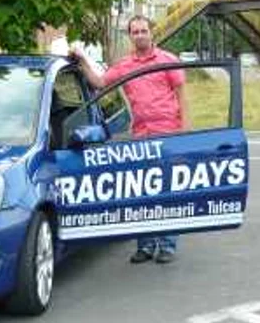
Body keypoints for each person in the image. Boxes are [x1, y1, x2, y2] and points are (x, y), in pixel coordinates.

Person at [70, 15, 191, 264]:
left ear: (151, 32)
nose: (139, 35)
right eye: (134, 32)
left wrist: (185, 133)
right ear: (130, 36)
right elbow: (100, 83)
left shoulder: (168, 61)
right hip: (140, 136)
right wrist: (81, 60)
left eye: (143, 31)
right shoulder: (125, 66)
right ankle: (145, 246)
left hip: (168, 134)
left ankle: (167, 244)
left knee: (167, 191)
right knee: (142, 192)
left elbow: (182, 97)